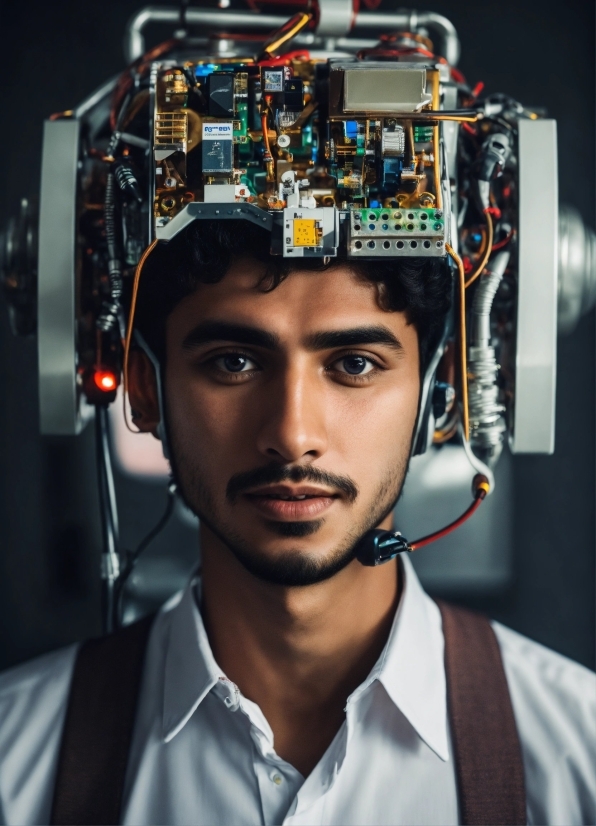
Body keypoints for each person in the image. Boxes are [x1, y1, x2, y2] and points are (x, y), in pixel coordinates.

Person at [0, 221, 594, 826]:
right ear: (145, 388)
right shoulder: (14, 766)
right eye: (233, 362)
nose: (292, 436)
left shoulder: (580, 756)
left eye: (355, 365)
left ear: (436, 392)